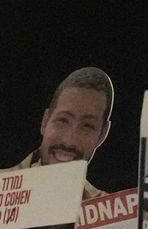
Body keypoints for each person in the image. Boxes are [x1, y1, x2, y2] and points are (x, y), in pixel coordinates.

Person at [17, 67, 115, 195]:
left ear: (102, 135)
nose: (69, 141)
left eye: (87, 126)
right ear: (45, 121)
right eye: (63, 120)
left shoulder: (111, 206)